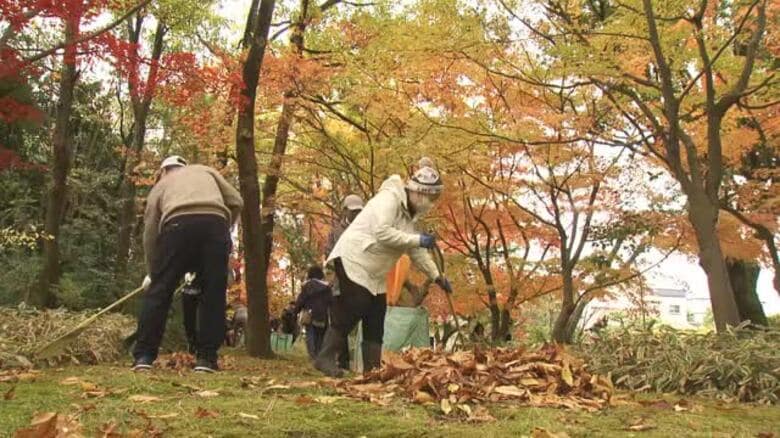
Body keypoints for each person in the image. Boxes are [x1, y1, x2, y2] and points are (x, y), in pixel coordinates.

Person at [314, 162, 453, 377]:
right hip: (355, 259)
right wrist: (417, 239)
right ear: (418, 193)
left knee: (376, 315)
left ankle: (372, 370)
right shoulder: (389, 199)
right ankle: (325, 357)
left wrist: (436, 276)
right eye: (430, 198)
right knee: (354, 306)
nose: (430, 204)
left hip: (375, 273)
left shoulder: (408, 218)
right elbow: (382, 232)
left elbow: (415, 251)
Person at [133, 155, 243, 373]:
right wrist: (224, 226)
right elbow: (236, 201)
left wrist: (153, 273)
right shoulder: (206, 171)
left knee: (160, 293)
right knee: (213, 292)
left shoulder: (162, 184)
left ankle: (144, 355)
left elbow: (150, 232)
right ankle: (207, 359)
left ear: (163, 171)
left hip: (176, 226)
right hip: (215, 225)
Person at [325, 194, 364, 370]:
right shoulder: (335, 232)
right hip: (340, 284)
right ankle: (339, 361)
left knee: (351, 323)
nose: (356, 214)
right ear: (345, 210)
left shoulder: (364, 230)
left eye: (358, 211)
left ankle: (350, 362)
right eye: (353, 211)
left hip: (360, 284)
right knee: (338, 323)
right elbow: (329, 254)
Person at [294, 266, 333, 360]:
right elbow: (331, 302)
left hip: (309, 314)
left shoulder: (307, 286)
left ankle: (312, 356)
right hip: (323, 315)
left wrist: (296, 311)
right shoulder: (327, 287)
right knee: (320, 336)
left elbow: (301, 300)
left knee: (310, 334)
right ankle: (319, 355)